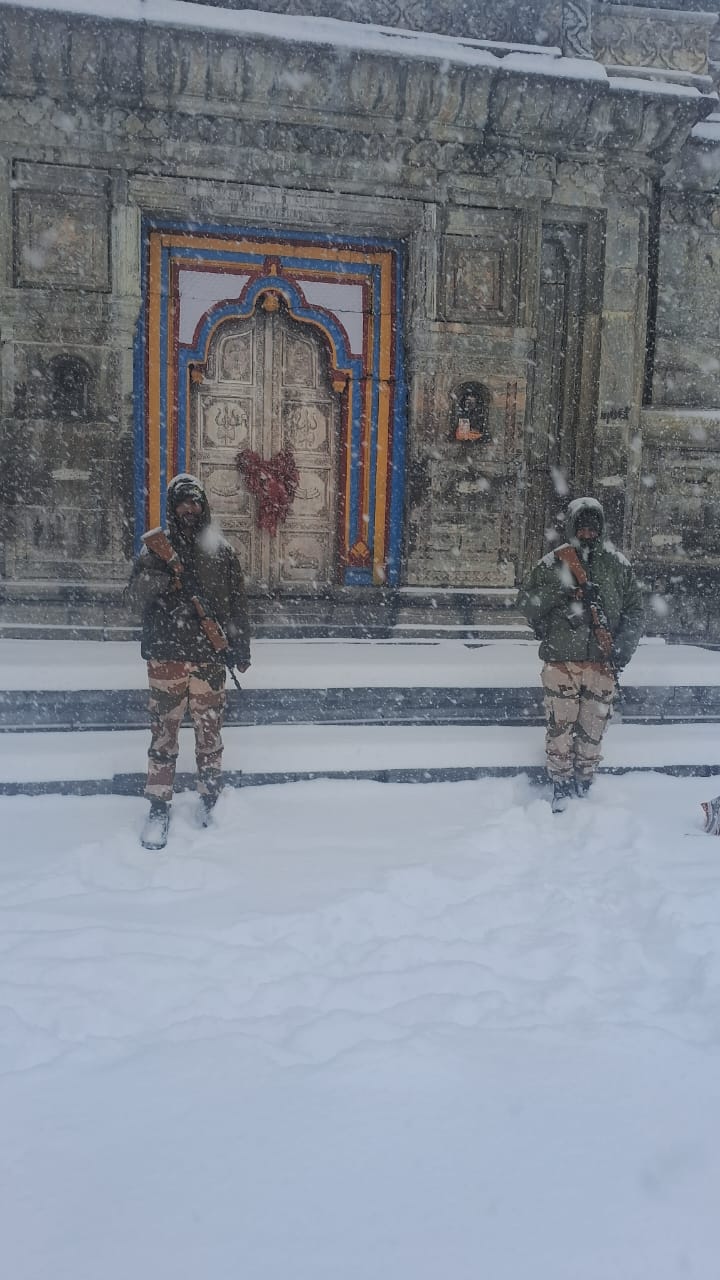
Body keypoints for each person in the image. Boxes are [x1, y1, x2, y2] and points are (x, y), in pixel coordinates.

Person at [127, 473, 251, 849]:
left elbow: (237, 605)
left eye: (194, 502)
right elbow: (132, 599)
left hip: (209, 660)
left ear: (203, 505)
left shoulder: (222, 551)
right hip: (166, 657)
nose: (189, 509)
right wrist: (162, 579)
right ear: (172, 506)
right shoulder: (155, 552)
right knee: (163, 737)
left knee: (209, 736)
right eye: (182, 502)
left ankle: (211, 798)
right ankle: (158, 805)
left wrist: (240, 648)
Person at [517, 496, 643, 813]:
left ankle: (584, 783)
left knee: (592, 728)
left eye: (593, 525)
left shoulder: (618, 565)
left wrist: (622, 650)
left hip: (602, 660)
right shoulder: (552, 563)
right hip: (561, 661)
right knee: (560, 728)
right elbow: (527, 605)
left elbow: (635, 613)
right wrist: (565, 590)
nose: (587, 531)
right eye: (582, 525)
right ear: (573, 527)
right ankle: (561, 785)